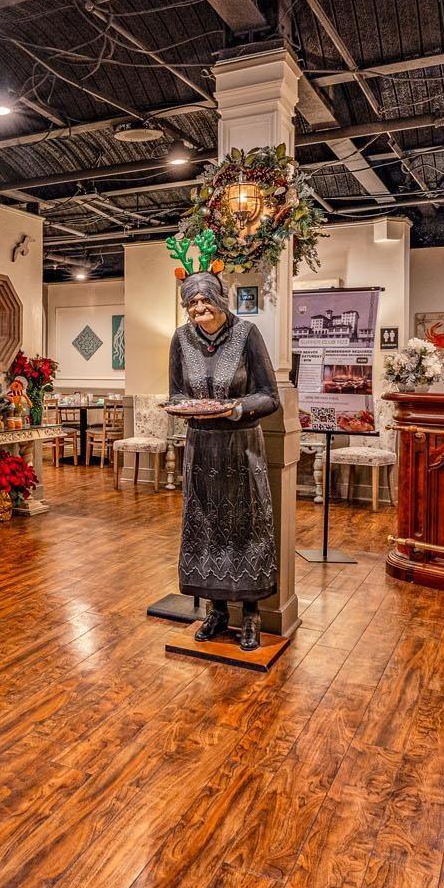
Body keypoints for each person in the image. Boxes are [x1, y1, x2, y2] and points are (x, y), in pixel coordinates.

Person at [166, 271, 280, 651]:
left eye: (205, 301)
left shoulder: (247, 335)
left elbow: (268, 396)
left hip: (241, 447)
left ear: (221, 300)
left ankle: (250, 613)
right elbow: (178, 393)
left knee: (245, 527)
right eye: (191, 303)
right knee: (206, 527)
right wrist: (186, 407)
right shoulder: (181, 340)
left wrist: (234, 408)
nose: (199, 309)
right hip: (201, 449)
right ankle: (215, 610)